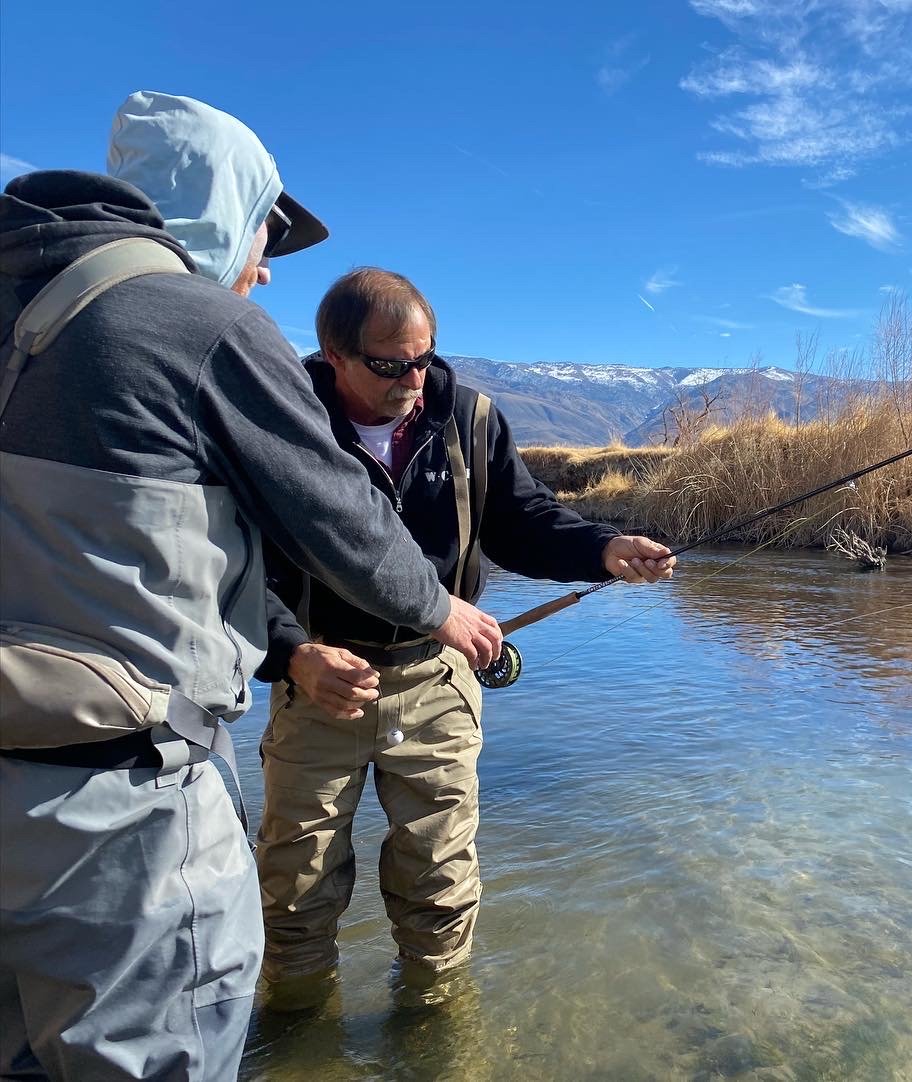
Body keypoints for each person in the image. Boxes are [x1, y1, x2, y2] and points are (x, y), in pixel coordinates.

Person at [0, 92, 504, 1080]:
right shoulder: (203, 325)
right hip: (126, 806)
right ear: (214, 207)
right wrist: (445, 609)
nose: (266, 264)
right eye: (265, 228)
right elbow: (344, 524)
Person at [255, 267, 674, 999]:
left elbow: (522, 522)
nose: (414, 378)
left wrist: (602, 549)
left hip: (438, 680)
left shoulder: (470, 420)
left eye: (425, 357)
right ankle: (295, 1030)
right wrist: (290, 653)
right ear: (333, 355)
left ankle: (438, 1025)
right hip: (318, 685)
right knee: (294, 895)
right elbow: (234, 564)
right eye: (390, 364)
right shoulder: (276, 422)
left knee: (440, 886)